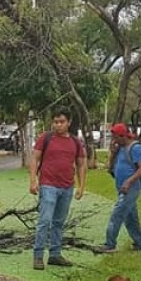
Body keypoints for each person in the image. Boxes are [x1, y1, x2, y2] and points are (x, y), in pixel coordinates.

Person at [28, 109, 86, 270]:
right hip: (48, 185)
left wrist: (81, 186)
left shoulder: (75, 141)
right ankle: (38, 256)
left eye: (61, 122)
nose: (58, 125)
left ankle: (55, 254)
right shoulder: (45, 138)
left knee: (59, 222)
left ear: (69, 122)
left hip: (67, 187)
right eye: (55, 122)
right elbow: (35, 158)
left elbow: (81, 164)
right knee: (44, 221)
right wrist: (33, 181)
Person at [97, 124, 141, 253]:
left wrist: (129, 181)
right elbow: (110, 168)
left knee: (117, 214)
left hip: (131, 187)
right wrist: (112, 153)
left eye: (115, 138)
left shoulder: (135, 148)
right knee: (130, 217)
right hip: (121, 186)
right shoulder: (120, 149)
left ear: (123, 136)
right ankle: (140, 243)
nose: (114, 141)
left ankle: (110, 244)